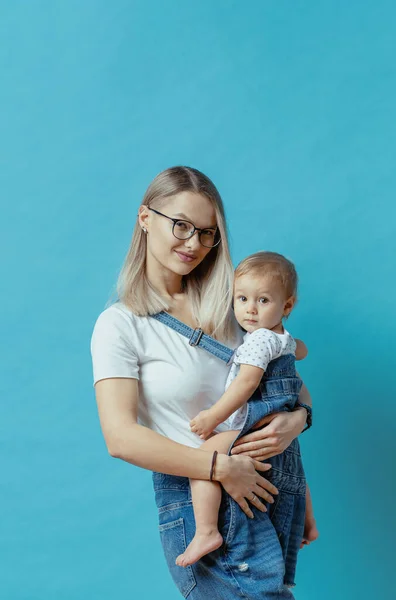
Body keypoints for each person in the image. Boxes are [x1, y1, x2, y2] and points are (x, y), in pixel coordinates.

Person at [90, 166, 313, 599]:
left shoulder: (235, 308)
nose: (194, 244)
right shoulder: (120, 324)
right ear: (145, 218)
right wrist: (221, 468)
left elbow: (283, 385)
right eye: (181, 226)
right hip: (202, 499)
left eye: (207, 233)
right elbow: (120, 437)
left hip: (266, 485)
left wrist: (300, 420)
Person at [176, 251, 318, 574]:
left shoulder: (258, 341)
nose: (250, 309)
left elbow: (246, 384)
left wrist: (212, 416)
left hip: (252, 426)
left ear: (287, 306)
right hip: (282, 435)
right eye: (242, 298)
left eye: (263, 300)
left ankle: (206, 531)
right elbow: (303, 351)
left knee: (204, 459)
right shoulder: (284, 339)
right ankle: (308, 524)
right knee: (295, 473)